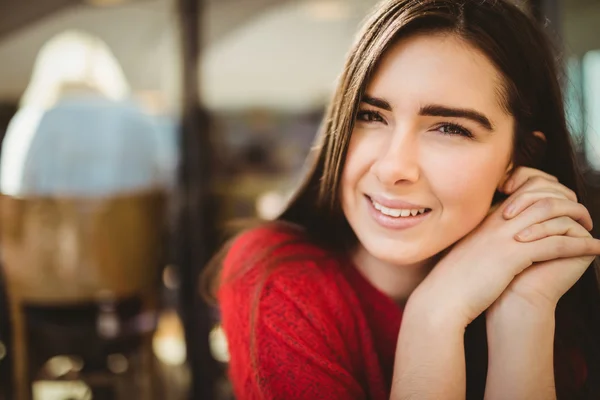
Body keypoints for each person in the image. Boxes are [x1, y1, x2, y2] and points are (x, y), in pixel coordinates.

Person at [207, 0, 600, 398]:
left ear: (519, 158)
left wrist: (523, 313)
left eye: (449, 128)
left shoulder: (550, 291)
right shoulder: (277, 279)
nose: (393, 167)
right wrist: (434, 316)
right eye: (371, 116)